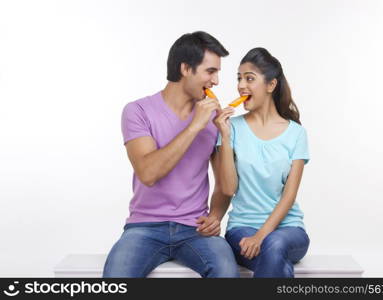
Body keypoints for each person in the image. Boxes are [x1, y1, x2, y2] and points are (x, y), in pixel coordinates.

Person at [103, 31, 239, 278]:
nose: (217, 81)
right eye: (210, 71)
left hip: (195, 229)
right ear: (185, 68)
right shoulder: (137, 111)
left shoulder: (214, 118)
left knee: (227, 272)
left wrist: (216, 215)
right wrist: (195, 125)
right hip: (143, 228)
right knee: (115, 279)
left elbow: (226, 186)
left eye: (217, 72)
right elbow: (148, 173)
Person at [214, 47, 310, 277]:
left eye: (249, 78)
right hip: (241, 229)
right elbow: (228, 188)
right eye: (239, 78)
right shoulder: (231, 129)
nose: (241, 86)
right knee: (280, 266)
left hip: (288, 230)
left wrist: (261, 235)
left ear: (271, 85)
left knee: (273, 244)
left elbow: (289, 196)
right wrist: (225, 137)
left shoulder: (296, 134)